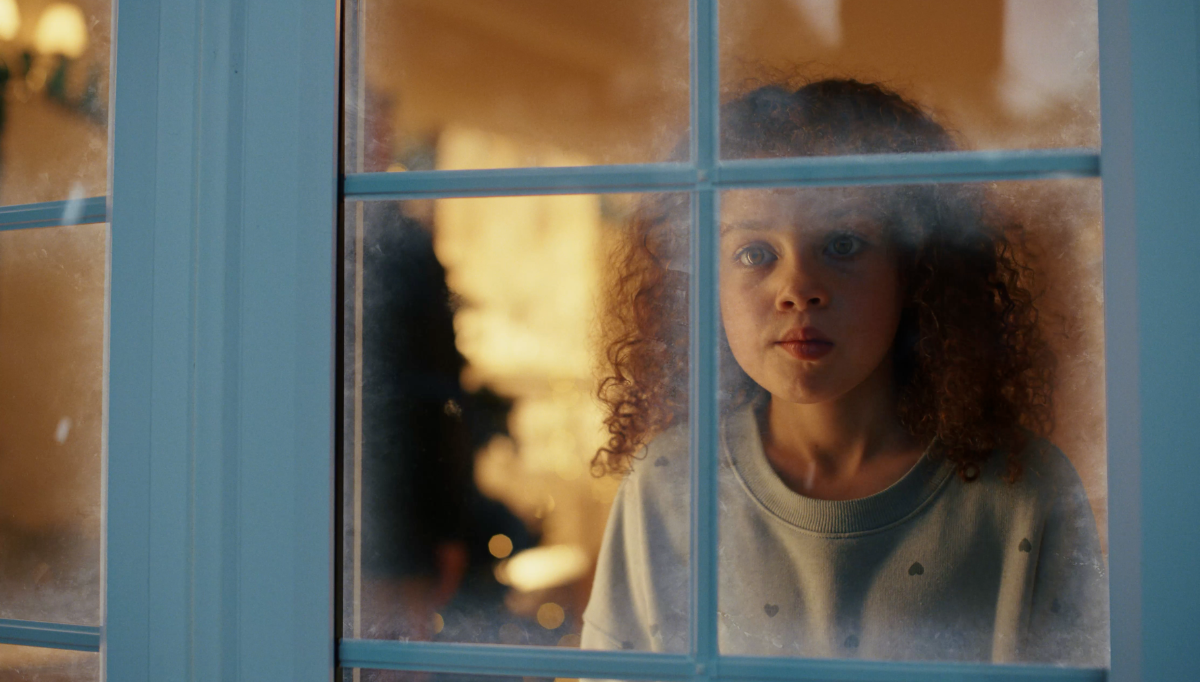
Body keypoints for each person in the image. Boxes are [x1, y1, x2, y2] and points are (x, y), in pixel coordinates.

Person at [581, 80, 1108, 665]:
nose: (798, 288)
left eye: (843, 244)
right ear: (704, 284)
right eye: (755, 253)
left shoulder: (1026, 492)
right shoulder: (669, 485)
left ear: (915, 270)